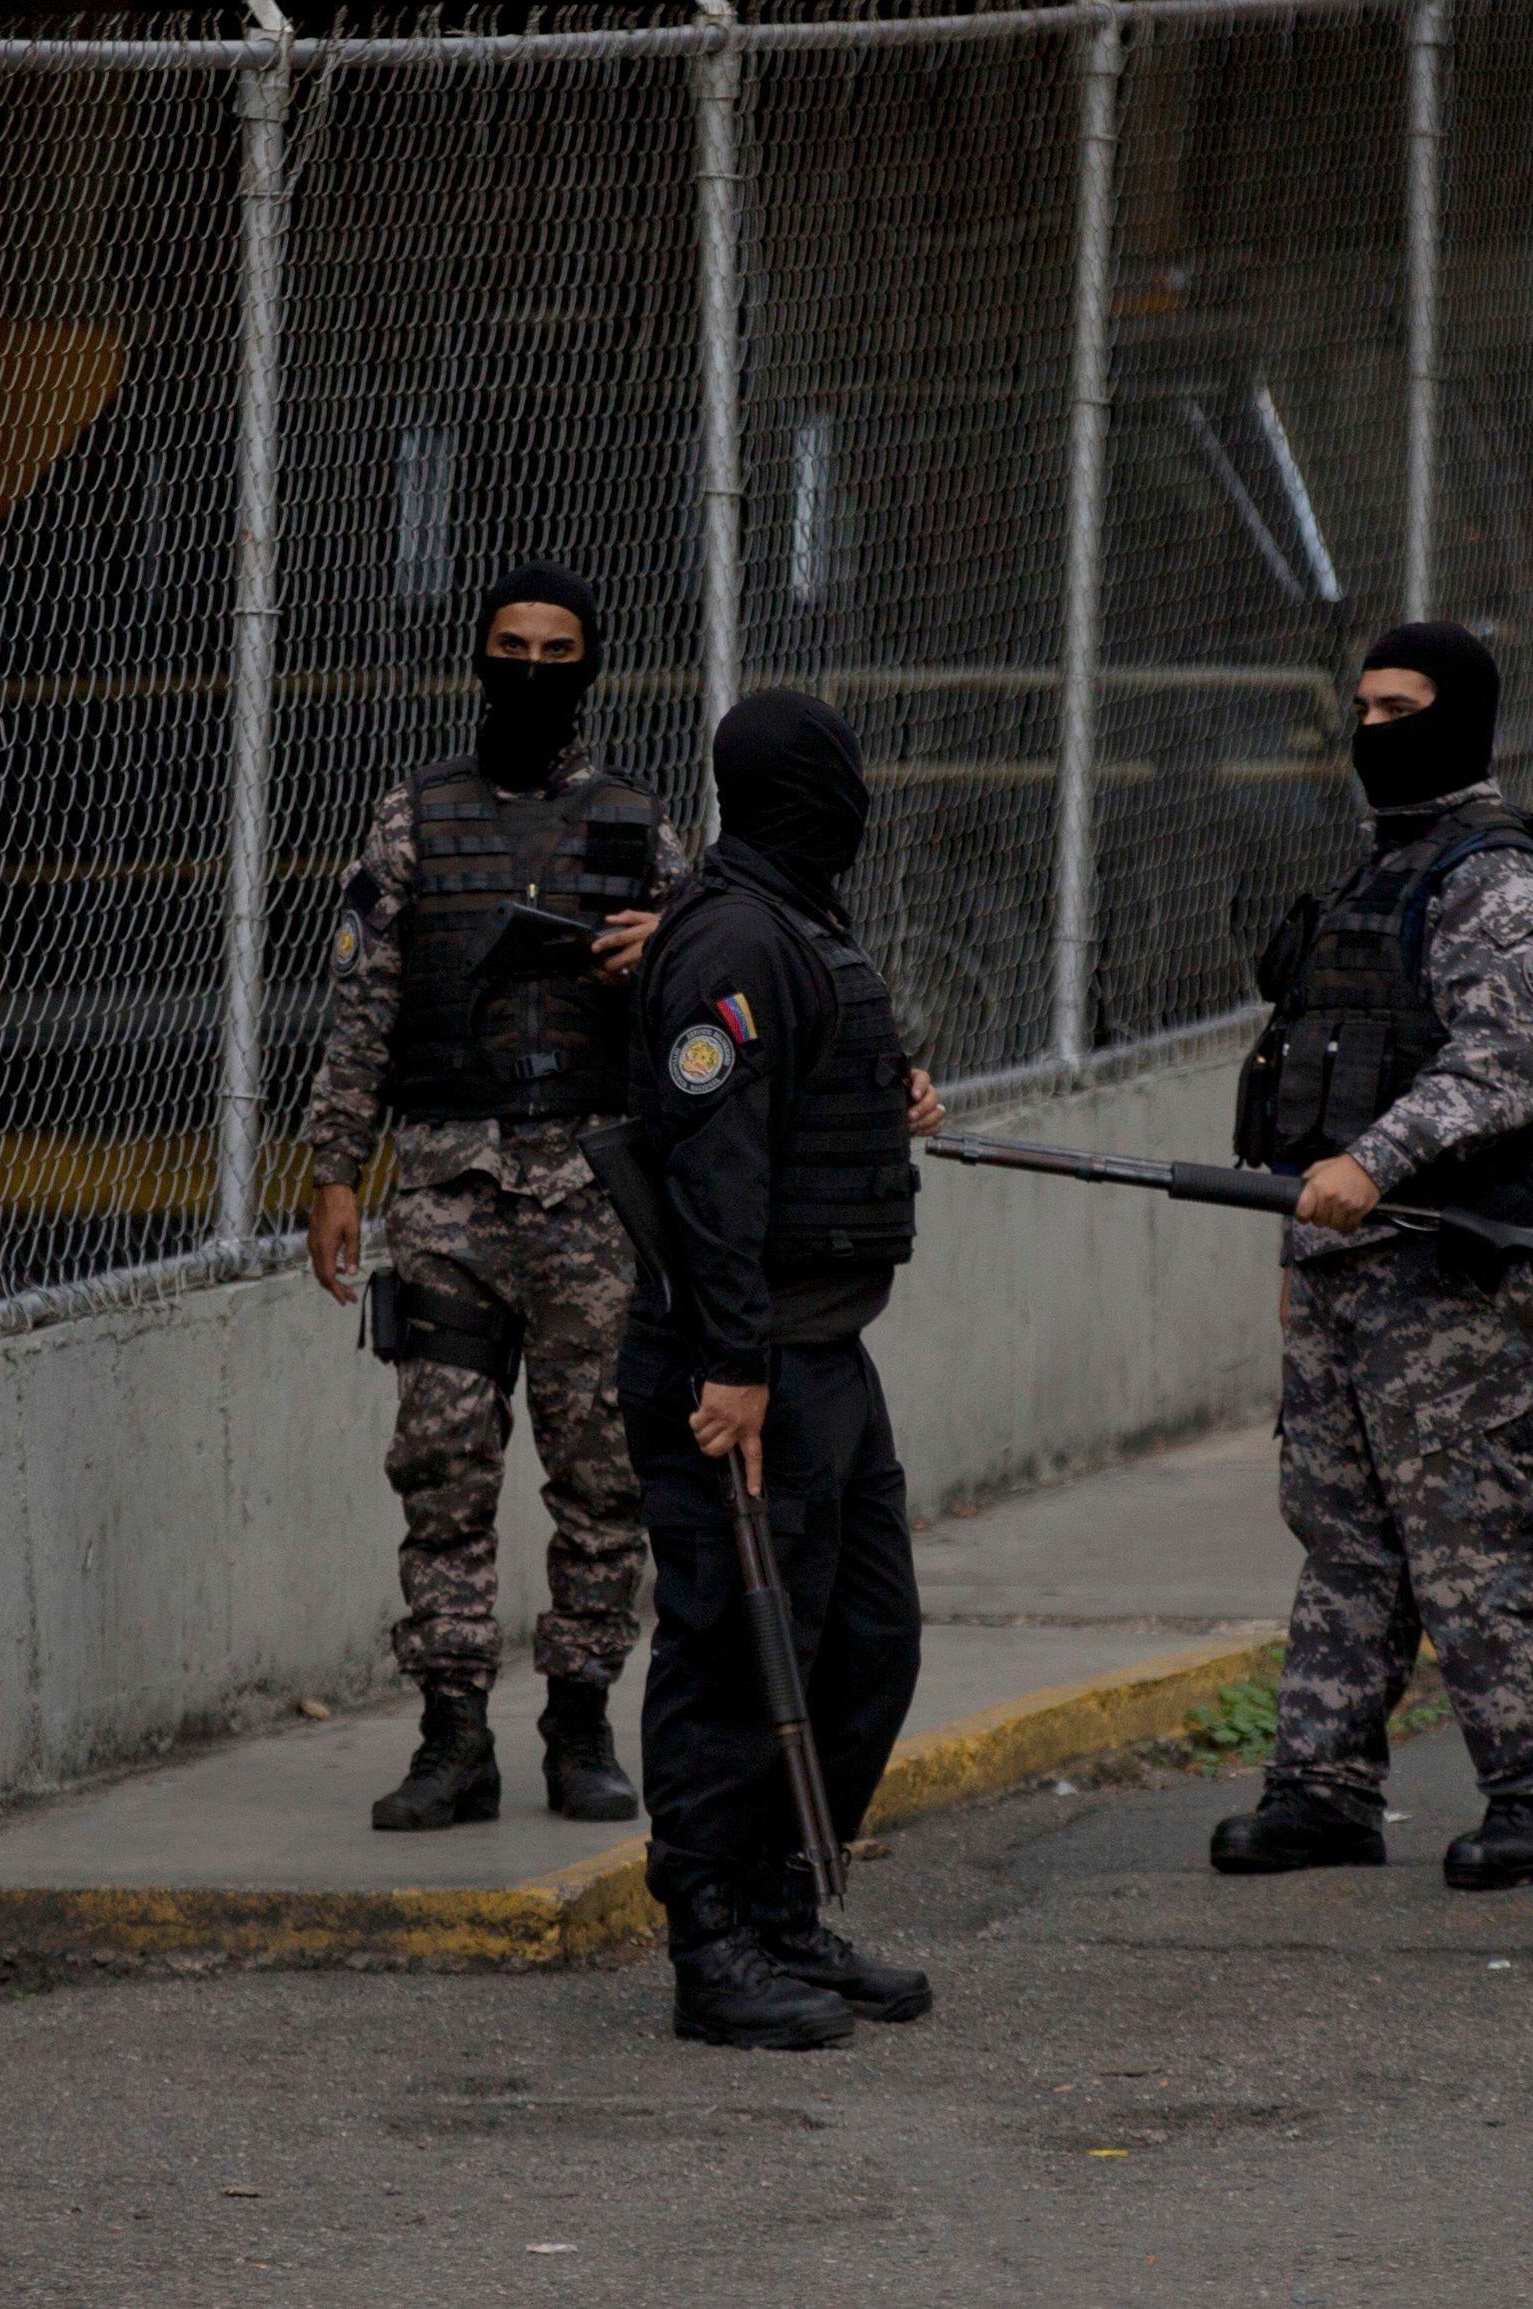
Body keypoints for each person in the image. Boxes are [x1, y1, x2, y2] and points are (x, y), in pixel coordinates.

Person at [1216, 621, 1533, 1889]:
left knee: (1473, 1542)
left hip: (1445, 1280)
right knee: (1341, 1536)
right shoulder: (1375, 873)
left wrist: (1375, 1166)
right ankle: (1322, 1786)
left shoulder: (1499, 880)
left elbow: (1504, 1062)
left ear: (1461, 715)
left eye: (1401, 706)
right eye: (1364, 705)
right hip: (1340, 1273)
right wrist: (1303, 1236)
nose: (1373, 728)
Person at [302, 564, 681, 1833]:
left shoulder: (636, 823)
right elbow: (362, 1008)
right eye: (509, 645)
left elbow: (705, 997)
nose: (529, 668)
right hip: (447, 1191)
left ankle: (582, 1718)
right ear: (478, 656)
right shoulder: (414, 817)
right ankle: (452, 1732)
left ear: (589, 668)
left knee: (600, 1468)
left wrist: (660, 954)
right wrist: (334, 1170)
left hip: (589, 1194)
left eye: (554, 649)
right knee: (443, 1468)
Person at [621, 689, 947, 2050]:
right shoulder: (736, 933)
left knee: (866, 1640)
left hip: (823, 1347)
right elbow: (713, 1170)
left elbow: (813, 1083)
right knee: (733, 1656)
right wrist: (734, 1364)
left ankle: (781, 1910)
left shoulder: (798, 917)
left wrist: (899, 1085)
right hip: (741, 1361)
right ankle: (713, 1948)